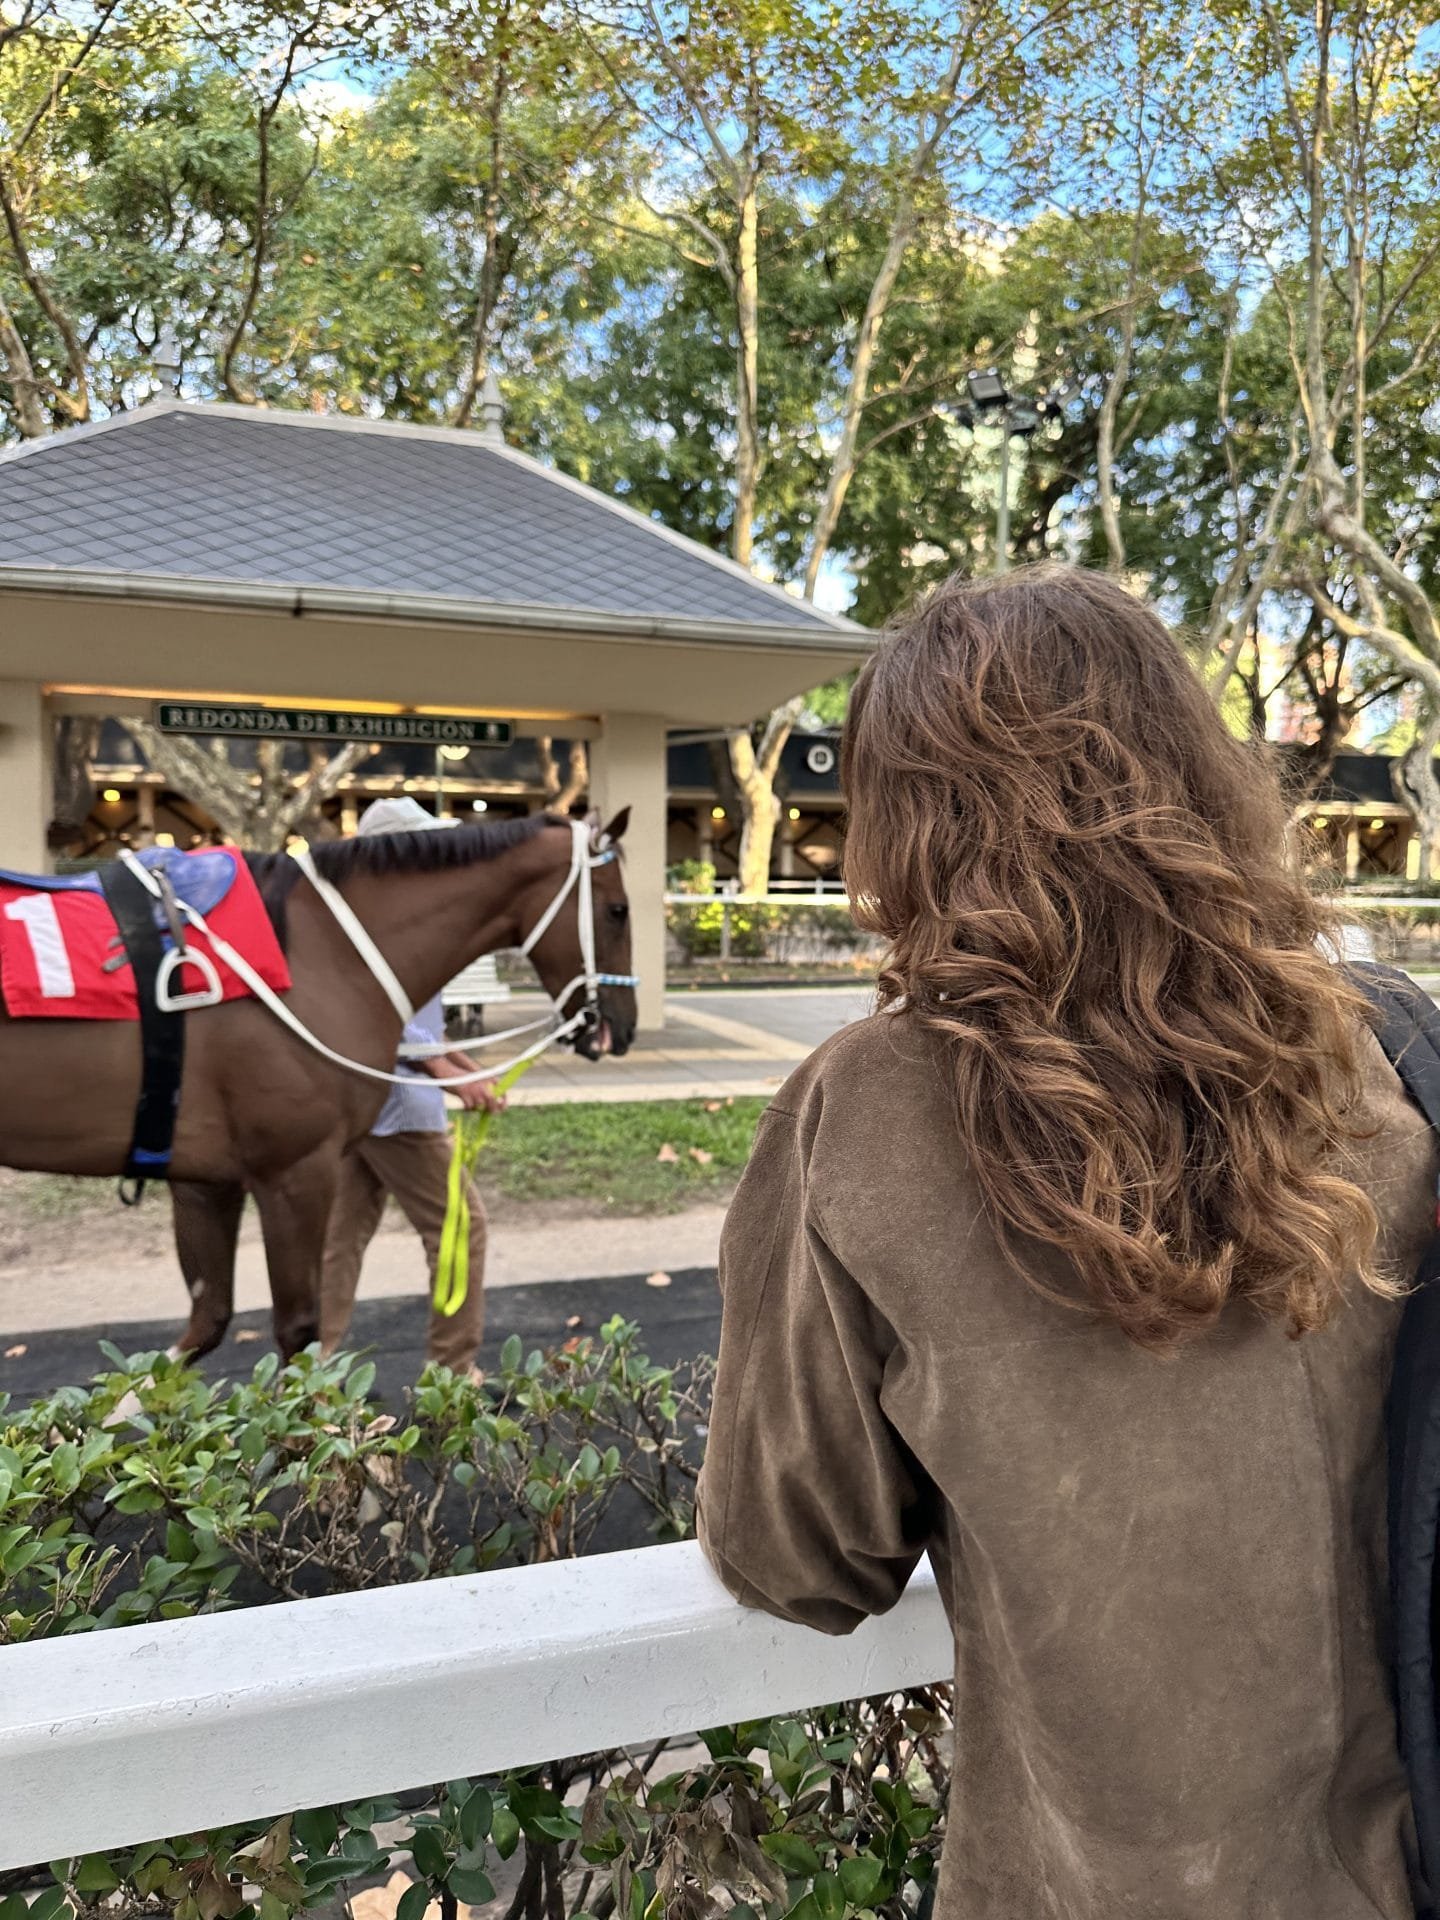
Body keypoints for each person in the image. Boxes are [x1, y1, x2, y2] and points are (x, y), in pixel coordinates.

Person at [697, 564, 1440, 1920]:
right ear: (1201, 783)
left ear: (907, 827)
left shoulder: (865, 1112)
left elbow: (798, 1558)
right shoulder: (1384, 1071)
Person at [319, 796, 503, 1375]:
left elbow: (418, 1023)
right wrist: (450, 1076)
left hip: (358, 1100)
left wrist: (461, 1064)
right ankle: (450, 1373)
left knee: (340, 1237)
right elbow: (388, 1024)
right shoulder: (387, 921)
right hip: (395, 1102)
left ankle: (311, 1375)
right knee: (459, 1229)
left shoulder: (362, 913)